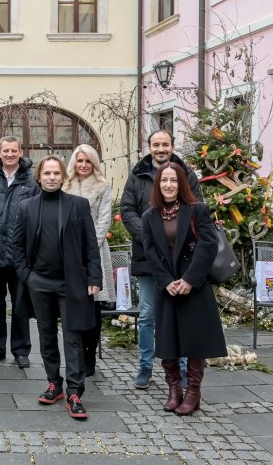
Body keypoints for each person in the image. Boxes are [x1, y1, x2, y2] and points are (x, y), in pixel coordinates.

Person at [12, 155, 101, 419]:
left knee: (73, 336)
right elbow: (15, 245)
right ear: (38, 177)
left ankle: (75, 391)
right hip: (38, 282)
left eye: (56, 173)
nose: (51, 177)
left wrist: (94, 279)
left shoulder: (78, 205)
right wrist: (27, 276)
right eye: (47, 173)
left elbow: (90, 246)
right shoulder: (26, 207)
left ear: (64, 177)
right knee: (47, 334)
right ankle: (54, 383)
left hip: (71, 282)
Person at [141, 163, 227, 416]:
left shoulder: (197, 210)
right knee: (168, 339)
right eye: (164, 180)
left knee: (195, 340)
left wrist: (189, 280)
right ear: (157, 185)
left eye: (174, 180)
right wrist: (167, 281)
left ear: (182, 184)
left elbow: (208, 246)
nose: (169, 185)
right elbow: (151, 253)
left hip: (194, 286)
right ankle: (174, 389)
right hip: (167, 286)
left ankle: (193, 391)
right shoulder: (150, 216)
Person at [121, 129, 202, 390]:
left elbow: (197, 208)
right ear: (149, 147)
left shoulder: (186, 174)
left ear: (172, 146)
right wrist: (150, 237)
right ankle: (145, 366)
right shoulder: (137, 175)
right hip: (148, 257)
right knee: (146, 314)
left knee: (178, 314)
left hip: (180, 260)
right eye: (155, 144)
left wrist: (176, 242)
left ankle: (180, 367)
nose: (160, 149)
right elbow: (127, 210)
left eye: (165, 144)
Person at [0, 136, 37, 368]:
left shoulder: (31, 182)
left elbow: (35, 217)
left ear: (20, 152)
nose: (10, 154)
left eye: (14, 151)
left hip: (19, 254)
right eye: (6, 151)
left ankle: (21, 350)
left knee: (20, 303)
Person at [63, 144, 115, 377]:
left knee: (93, 306)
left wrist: (88, 246)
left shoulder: (103, 187)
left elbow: (104, 220)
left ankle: (90, 356)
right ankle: (75, 357)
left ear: (94, 163)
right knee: (74, 304)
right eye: (79, 160)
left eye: (87, 161)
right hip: (68, 253)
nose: (83, 165)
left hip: (95, 250)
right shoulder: (65, 185)